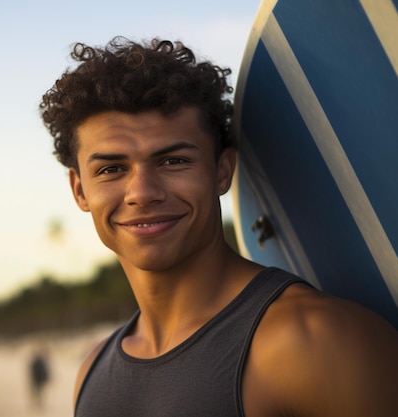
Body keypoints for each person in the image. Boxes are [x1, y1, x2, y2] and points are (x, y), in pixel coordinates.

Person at [39, 37, 398, 417]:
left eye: (173, 161)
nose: (142, 193)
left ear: (222, 171)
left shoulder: (315, 342)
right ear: (80, 190)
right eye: (111, 169)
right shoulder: (91, 373)